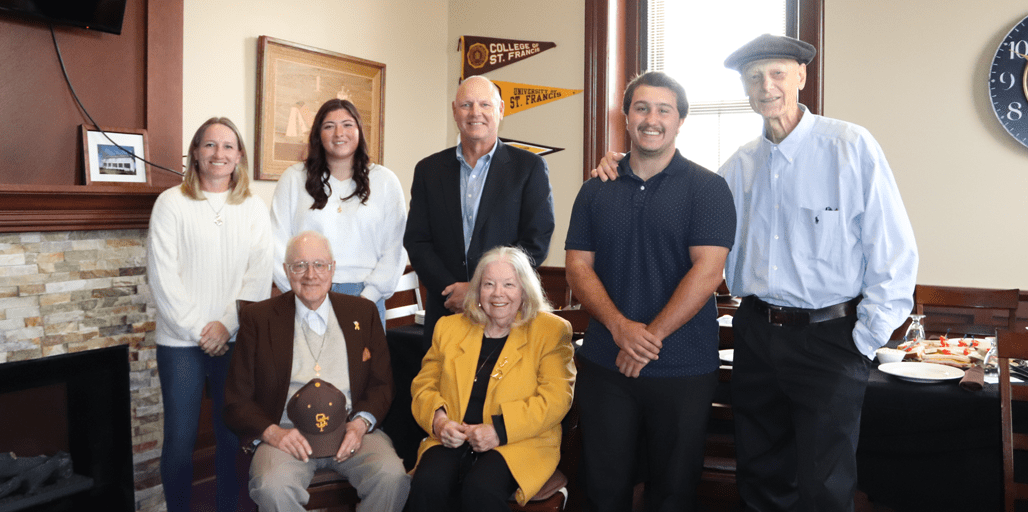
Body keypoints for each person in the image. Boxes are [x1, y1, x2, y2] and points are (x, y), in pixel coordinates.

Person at [594, 35, 919, 512]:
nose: (766, 86)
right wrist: (626, 164)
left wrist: (863, 340)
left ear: (801, 77)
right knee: (761, 475)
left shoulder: (849, 146)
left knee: (824, 485)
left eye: (777, 74)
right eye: (754, 78)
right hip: (757, 336)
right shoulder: (738, 168)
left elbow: (894, 250)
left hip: (830, 338)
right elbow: (677, 190)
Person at [566, 71, 736, 512]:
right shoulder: (594, 190)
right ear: (625, 117)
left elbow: (709, 270)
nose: (652, 118)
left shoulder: (708, 189)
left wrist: (647, 338)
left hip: (684, 366)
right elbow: (577, 268)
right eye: (642, 108)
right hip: (606, 363)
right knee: (604, 489)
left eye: (664, 109)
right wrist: (621, 328)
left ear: (680, 121)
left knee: (673, 492)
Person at [223, 230, 409, 512]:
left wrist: (359, 425)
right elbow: (236, 400)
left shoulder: (363, 312)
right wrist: (273, 433)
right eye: (299, 265)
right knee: (272, 486)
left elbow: (382, 384)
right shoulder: (258, 319)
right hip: (286, 434)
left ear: (332, 269)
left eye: (320, 264)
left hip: (351, 430)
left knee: (392, 476)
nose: (310, 274)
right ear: (286, 271)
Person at [147, 117, 273, 512]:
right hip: (180, 343)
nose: (219, 154)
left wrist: (226, 325)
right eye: (209, 145)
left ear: (239, 157)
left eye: (227, 146)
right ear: (195, 154)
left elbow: (259, 273)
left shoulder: (253, 206)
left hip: (235, 339)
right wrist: (201, 329)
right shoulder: (171, 203)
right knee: (181, 443)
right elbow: (162, 274)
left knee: (231, 439)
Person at [408, 246, 575, 512]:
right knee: (428, 483)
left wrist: (498, 431)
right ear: (477, 290)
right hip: (454, 437)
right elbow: (423, 385)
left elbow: (555, 399)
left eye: (509, 284)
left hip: (519, 441)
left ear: (524, 290)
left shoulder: (550, 331)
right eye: (489, 284)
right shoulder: (449, 328)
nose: (498, 293)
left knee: (481, 489)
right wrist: (439, 422)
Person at [404, 75, 555, 351]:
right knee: (442, 390)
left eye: (485, 104)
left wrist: (479, 290)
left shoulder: (529, 168)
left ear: (501, 110)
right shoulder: (428, 171)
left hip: (505, 313)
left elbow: (536, 240)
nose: (475, 113)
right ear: (454, 111)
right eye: (466, 105)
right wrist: (451, 289)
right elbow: (417, 241)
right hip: (447, 309)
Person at [270, 98, 407, 326]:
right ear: (318, 134)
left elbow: (396, 246)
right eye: (329, 126)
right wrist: (300, 292)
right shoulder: (293, 178)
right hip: (306, 295)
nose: (339, 133)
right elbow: (276, 243)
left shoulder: (385, 181)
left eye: (347, 124)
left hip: (367, 298)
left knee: (363, 363)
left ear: (359, 131)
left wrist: (368, 297)